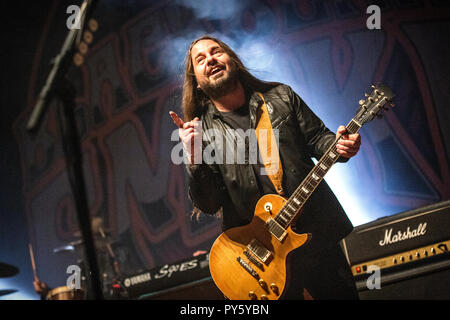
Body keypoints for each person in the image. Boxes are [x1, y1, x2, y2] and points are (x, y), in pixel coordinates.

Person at [170, 35, 361, 299]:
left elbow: (319, 139)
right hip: (259, 260)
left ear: (232, 61)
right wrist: (194, 157)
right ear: (198, 84)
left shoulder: (281, 97)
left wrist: (341, 145)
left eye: (216, 52)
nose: (210, 59)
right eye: (200, 59)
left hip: (313, 233)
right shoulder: (203, 133)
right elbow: (209, 203)